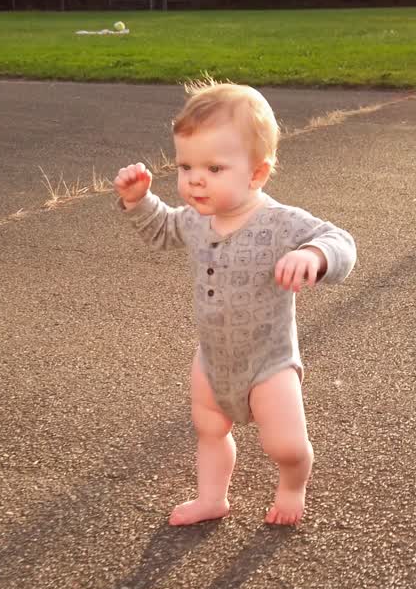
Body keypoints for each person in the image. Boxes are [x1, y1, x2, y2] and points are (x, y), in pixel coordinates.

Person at [114, 78, 356, 526]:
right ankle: (212, 498)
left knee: (284, 445)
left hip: (268, 362)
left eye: (214, 169)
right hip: (213, 359)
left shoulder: (279, 223)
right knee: (209, 430)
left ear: (257, 173)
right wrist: (139, 200)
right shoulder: (194, 220)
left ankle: (291, 484)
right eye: (185, 167)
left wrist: (313, 255)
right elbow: (162, 229)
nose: (194, 181)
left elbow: (340, 241)